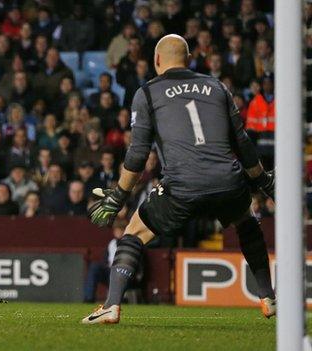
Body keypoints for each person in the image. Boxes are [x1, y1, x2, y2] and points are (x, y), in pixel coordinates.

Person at [82, 35, 275, 324]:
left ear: (158, 60)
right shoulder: (217, 86)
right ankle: (267, 297)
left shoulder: (147, 92)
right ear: (188, 59)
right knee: (247, 223)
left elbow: (137, 154)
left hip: (182, 186)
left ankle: (111, 306)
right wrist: (263, 182)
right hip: (227, 181)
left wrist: (120, 195)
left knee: (133, 233)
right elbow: (243, 144)